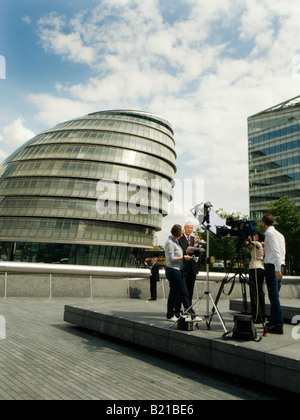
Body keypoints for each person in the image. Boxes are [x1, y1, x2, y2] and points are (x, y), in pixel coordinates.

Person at [262, 214, 286, 335]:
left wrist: (277, 269)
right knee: (274, 296)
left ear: (263, 223)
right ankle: (272, 321)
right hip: (280, 265)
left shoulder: (269, 234)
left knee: (274, 297)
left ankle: (278, 324)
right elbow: (282, 252)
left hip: (273, 266)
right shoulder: (280, 235)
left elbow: (276, 252)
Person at [164, 224, 193, 321]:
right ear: (177, 233)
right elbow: (171, 258)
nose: (182, 234)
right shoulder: (170, 243)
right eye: (181, 233)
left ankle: (188, 312)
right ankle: (170, 314)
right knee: (174, 292)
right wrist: (183, 258)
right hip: (173, 270)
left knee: (180, 291)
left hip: (177, 269)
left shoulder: (175, 242)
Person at [246, 232, 265, 324]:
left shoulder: (257, 244)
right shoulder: (260, 244)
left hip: (256, 268)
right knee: (258, 292)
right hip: (258, 267)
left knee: (255, 292)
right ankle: (260, 314)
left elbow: (248, 243)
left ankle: (257, 315)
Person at [178, 221, 200, 302]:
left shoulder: (193, 239)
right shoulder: (180, 238)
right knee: (182, 289)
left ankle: (188, 306)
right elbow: (179, 251)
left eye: (191, 228)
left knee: (190, 289)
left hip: (192, 268)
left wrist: (196, 244)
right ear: (184, 228)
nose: (189, 229)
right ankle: (179, 307)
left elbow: (197, 253)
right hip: (183, 268)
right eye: (188, 227)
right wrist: (187, 252)